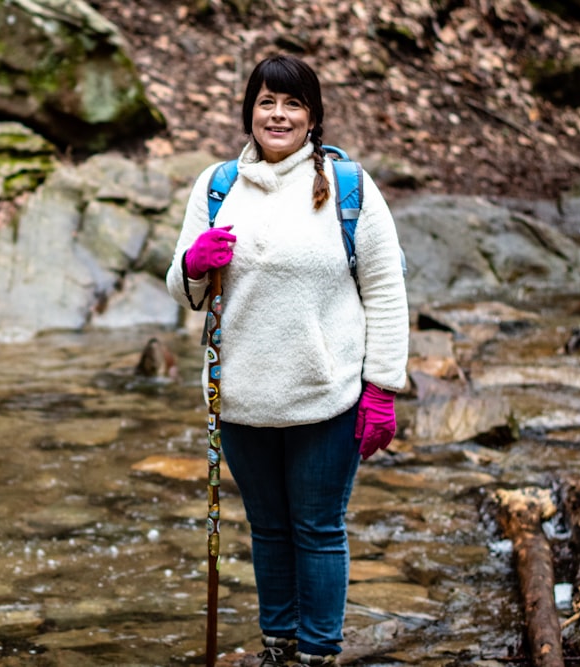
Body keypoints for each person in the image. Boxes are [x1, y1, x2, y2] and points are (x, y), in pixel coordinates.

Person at [165, 55, 409, 666]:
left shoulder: (348, 188)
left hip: (326, 396)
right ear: (250, 110)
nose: (278, 114)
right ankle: (278, 648)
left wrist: (382, 388)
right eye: (267, 102)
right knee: (269, 530)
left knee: (318, 530)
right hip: (241, 396)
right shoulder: (217, 186)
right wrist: (195, 263)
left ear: (313, 117)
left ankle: (319, 654)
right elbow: (184, 290)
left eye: (293, 104)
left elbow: (384, 289)